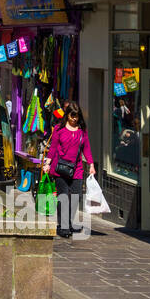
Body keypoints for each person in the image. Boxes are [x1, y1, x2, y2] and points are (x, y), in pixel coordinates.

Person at [41, 100, 95, 238]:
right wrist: (47, 163)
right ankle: (64, 226)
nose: (74, 119)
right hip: (60, 168)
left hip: (76, 169)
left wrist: (91, 164)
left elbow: (86, 148)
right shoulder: (59, 129)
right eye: (72, 116)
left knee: (75, 197)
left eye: (76, 116)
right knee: (63, 196)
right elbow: (52, 148)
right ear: (67, 115)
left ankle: (68, 222)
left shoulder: (82, 131)